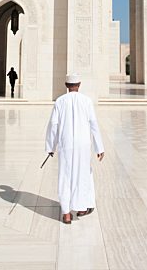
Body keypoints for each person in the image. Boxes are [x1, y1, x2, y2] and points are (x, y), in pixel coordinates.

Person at [45, 74, 104, 224]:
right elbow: (94, 124)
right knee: (82, 174)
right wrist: (99, 147)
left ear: (66, 85)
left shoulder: (60, 101)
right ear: (79, 84)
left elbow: (53, 125)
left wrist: (51, 146)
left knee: (65, 175)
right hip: (83, 145)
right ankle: (81, 207)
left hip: (66, 145)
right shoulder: (86, 101)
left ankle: (66, 213)